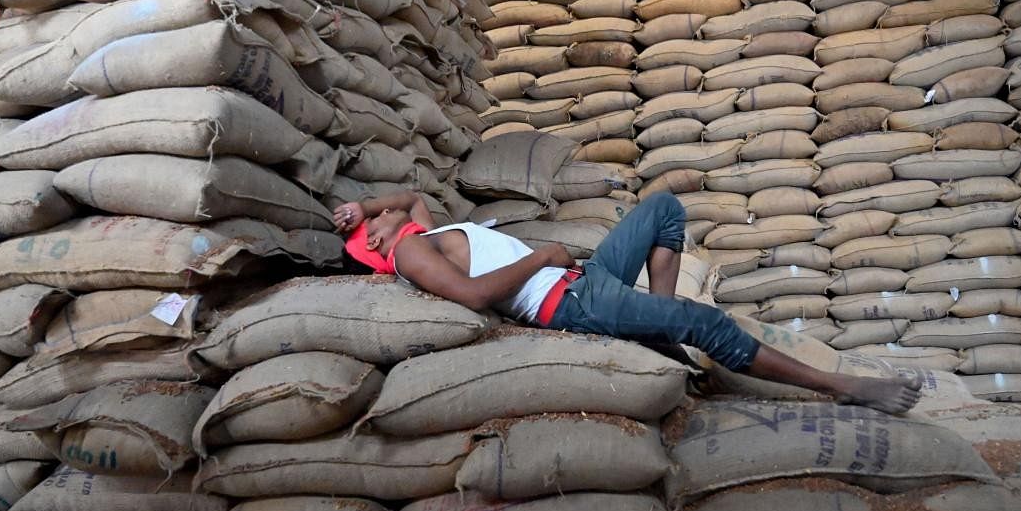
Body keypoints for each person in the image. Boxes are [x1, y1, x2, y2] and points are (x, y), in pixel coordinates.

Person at [334, 189, 922, 414]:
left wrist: (362, 206)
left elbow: (408, 196)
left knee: (663, 208)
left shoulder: (420, 233)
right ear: (378, 245)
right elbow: (472, 295)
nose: (386, 214)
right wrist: (542, 257)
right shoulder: (409, 256)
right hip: (569, 304)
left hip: (583, 278)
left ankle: (661, 339)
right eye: (377, 222)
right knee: (705, 322)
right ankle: (842, 387)